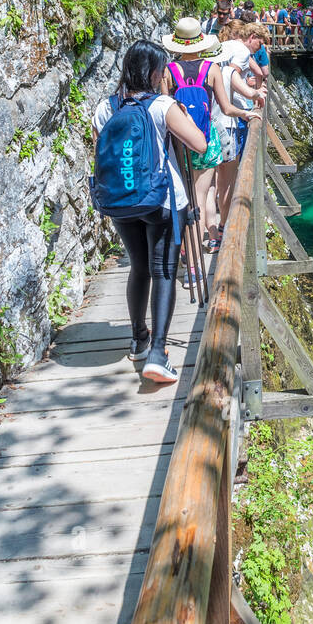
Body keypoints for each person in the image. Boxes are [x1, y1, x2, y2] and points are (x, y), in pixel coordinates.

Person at [92, 40, 207, 384]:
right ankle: (159, 352)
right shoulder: (163, 105)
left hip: (121, 201)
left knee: (139, 268)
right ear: (156, 73)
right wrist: (183, 118)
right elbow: (199, 144)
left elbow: (102, 153)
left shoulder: (105, 106)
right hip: (163, 201)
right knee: (164, 271)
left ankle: (139, 338)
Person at [161, 17, 246, 289]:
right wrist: (248, 111)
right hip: (206, 141)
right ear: (200, 42)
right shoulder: (211, 69)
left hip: (179, 141)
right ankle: (196, 270)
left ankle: (187, 260)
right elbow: (227, 107)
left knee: (186, 202)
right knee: (200, 198)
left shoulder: (167, 70)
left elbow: (165, 109)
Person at [206, 32, 253, 252]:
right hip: (225, 129)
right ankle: (223, 226)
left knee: (205, 187)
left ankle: (211, 233)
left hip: (199, 131)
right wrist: (248, 109)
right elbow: (244, 96)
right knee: (225, 182)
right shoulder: (225, 71)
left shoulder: (187, 71)